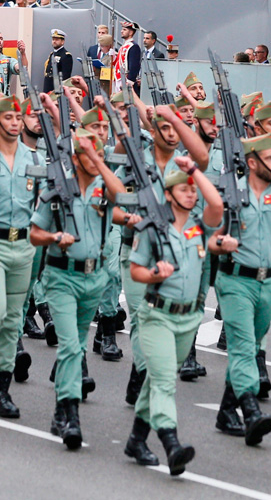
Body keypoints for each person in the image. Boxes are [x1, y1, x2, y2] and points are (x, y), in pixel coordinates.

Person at [30, 120, 132, 450]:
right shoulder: (57, 190)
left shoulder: (105, 189)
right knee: (72, 347)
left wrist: (98, 158)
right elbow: (35, 234)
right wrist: (54, 237)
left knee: (73, 348)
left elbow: (124, 198)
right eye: (87, 155)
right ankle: (71, 415)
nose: (94, 158)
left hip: (95, 279)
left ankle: (60, 407)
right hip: (62, 278)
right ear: (75, 158)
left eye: (99, 153)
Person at [126, 157, 224, 476]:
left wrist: (194, 171)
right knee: (166, 382)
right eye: (183, 189)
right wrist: (154, 274)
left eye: (193, 190)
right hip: (157, 317)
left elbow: (217, 205)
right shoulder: (153, 227)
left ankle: (136, 440)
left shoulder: (199, 223)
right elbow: (136, 269)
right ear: (168, 194)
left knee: (157, 380)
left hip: (188, 320)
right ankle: (171, 443)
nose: (191, 194)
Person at [213, 132, 271, 446]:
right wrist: (221, 243)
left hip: (268, 284)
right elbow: (209, 237)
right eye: (270, 159)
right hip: (237, 282)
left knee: (251, 347)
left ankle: (226, 410)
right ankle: (250, 410)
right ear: (252, 162)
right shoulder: (231, 193)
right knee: (242, 348)